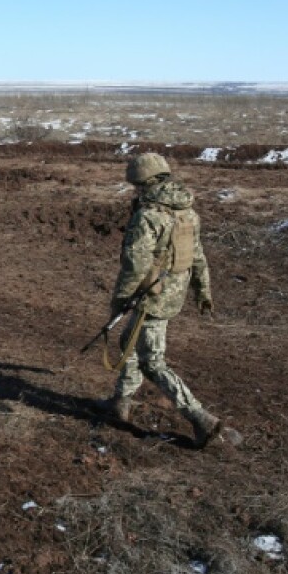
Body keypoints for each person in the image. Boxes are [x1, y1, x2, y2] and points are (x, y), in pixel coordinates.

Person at [97, 152, 226, 448]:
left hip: (151, 298)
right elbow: (197, 256)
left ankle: (200, 418)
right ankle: (121, 402)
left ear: (143, 182)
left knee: (153, 363)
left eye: (135, 186)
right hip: (172, 293)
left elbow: (135, 266)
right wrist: (203, 291)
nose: (134, 191)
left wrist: (119, 300)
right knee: (128, 341)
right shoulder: (186, 211)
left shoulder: (149, 216)